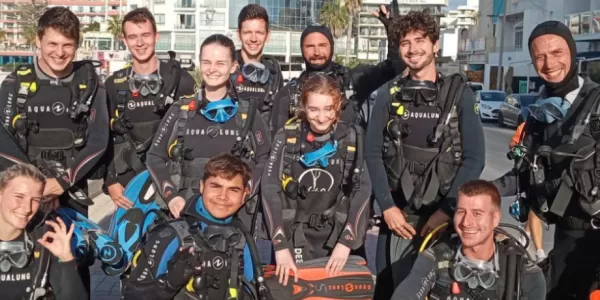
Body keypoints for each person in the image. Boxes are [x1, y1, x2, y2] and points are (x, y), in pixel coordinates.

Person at [364, 10, 485, 299]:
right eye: (405, 43)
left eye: (420, 40)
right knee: (387, 288)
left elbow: (474, 158)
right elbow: (371, 154)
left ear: (435, 44)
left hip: (443, 216)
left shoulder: (458, 95)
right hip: (397, 217)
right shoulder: (387, 94)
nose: (413, 49)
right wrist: (387, 207)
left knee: (440, 291)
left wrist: (447, 211)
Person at [0, 7, 109, 293]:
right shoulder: (15, 84)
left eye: (67, 45)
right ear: (38, 40)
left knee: (73, 263)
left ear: (76, 45)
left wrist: (61, 183)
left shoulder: (91, 84)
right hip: (25, 193)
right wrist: (35, 188)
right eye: (52, 43)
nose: (59, 52)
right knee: (21, 264)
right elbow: (2, 139)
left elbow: (98, 141)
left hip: (70, 192)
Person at [493, 20, 600, 300]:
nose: (549, 63)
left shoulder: (598, 103)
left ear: (572, 53)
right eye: (539, 56)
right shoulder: (539, 113)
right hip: (567, 238)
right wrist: (482, 192)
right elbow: (523, 174)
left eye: (556, 52)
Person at [146, 34, 270, 222]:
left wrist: (246, 192)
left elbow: (266, 158)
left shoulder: (249, 113)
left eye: (220, 63)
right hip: (185, 214)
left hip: (236, 218)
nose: (212, 69)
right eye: (206, 62)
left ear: (233, 67)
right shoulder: (180, 110)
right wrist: (171, 196)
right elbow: (154, 156)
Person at [261, 74, 372, 285]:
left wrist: (346, 242)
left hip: (336, 236)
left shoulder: (351, 139)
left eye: (328, 109)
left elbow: (363, 190)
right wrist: (280, 246)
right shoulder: (287, 137)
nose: (321, 118)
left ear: (338, 106)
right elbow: (269, 188)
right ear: (303, 107)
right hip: (295, 236)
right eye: (313, 110)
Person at [121, 153, 270, 300]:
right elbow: (132, 294)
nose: (223, 196)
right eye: (215, 186)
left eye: (233, 190)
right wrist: (169, 284)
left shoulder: (241, 239)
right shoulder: (171, 235)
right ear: (202, 187)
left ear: (244, 196)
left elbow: (254, 289)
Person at [103, 8, 196, 209]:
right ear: (125, 40)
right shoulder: (113, 84)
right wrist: (111, 181)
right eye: (133, 37)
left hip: (173, 181)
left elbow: (196, 133)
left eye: (145, 35)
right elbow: (104, 137)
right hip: (129, 185)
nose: (140, 43)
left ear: (156, 36)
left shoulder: (181, 81)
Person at [390, 180, 546, 299]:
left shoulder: (523, 272)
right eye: (461, 212)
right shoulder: (435, 258)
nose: (466, 222)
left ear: (495, 218)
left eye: (477, 213)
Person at [269, 5, 405, 134]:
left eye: (322, 45)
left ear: (332, 47)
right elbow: (275, 138)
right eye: (310, 46)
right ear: (301, 49)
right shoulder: (290, 94)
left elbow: (394, 67)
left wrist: (393, 32)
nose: (317, 52)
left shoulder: (353, 80)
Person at [0, 163, 88, 300]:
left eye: (35, 200)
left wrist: (67, 260)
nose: (27, 208)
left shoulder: (45, 241)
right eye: (19, 196)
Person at [233, 4, 284, 131]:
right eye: (247, 32)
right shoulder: (226, 64)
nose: (253, 39)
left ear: (267, 35)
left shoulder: (273, 69)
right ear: (238, 34)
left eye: (259, 33)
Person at [507, 122, 546, 263]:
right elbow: (512, 145)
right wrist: (521, 151)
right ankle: (540, 252)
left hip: (546, 176)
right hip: (529, 174)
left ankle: (524, 235)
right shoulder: (526, 125)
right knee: (536, 210)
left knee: (535, 209)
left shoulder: (556, 125)